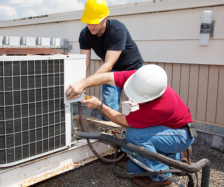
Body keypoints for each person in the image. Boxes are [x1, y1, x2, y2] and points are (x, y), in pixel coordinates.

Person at [66, 64, 194, 187]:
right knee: (132, 168)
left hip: (180, 134)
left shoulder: (160, 107)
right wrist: (81, 84)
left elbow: (123, 120)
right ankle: (176, 157)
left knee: (134, 135)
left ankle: (162, 177)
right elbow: (107, 77)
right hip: (169, 128)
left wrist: (99, 106)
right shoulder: (140, 78)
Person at [79, 0, 144, 120]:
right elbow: (84, 63)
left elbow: (108, 64)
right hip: (113, 71)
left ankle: (138, 134)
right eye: (89, 22)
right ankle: (108, 135)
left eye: (96, 22)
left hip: (134, 70)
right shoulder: (84, 34)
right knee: (108, 105)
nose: (92, 26)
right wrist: (78, 82)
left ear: (105, 19)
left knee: (139, 105)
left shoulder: (117, 29)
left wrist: (84, 83)